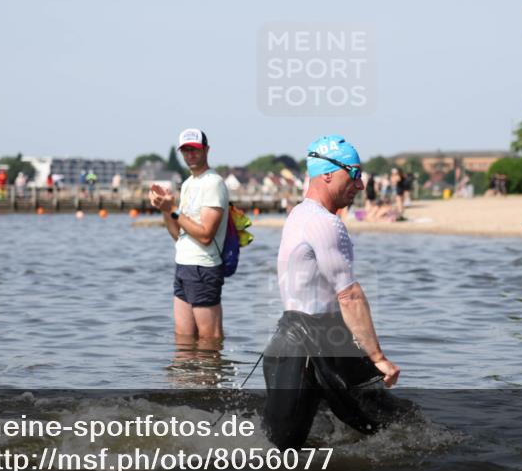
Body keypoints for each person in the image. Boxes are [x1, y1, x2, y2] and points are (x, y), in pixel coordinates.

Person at [263, 135, 400, 449]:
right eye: (354, 174)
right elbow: (349, 295)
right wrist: (378, 358)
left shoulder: (300, 214)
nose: (361, 184)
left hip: (305, 343)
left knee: (392, 426)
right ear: (327, 174)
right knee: (281, 453)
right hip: (306, 351)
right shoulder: (325, 223)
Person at [149, 128, 229, 339]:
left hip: (204, 267)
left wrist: (174, 210)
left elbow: (205, 235)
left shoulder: (213, 183)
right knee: (183, 339)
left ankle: (213, 373)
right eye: (185, 150)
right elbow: (178, 234)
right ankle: (188, 374)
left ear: (206, 150)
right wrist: (166, 210)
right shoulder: (187, 184)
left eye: (195, 149)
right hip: (183, 264)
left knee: (209, 340)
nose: (190, 155)